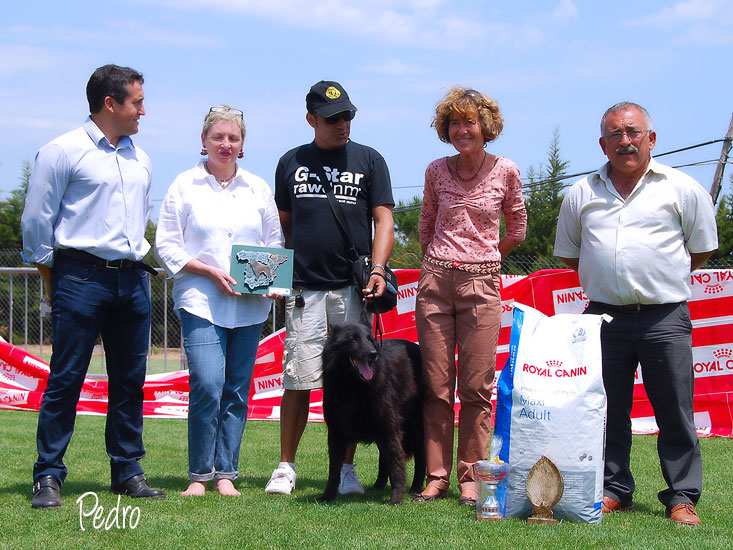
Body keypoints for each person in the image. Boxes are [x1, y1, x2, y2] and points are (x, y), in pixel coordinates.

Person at [554, 102, 718, 526]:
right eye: (615, 134)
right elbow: (572, 255)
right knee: (606, 410)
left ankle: (681, 496)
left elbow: (700, 249)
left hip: (665, 318)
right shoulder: (581, 193)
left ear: (651, 139)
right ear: (602, 144)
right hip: (603, 318)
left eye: (633, 132)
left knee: (675, 411)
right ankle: (614, 489)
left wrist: (656, 277)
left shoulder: (682, 189)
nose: (624, 141)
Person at [22, 64, 165, 508]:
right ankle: (48, 475)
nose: (143, 110)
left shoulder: (141, 159)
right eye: (137, 102)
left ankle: (128, 471)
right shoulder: (61, 151)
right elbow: (36, 224)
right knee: (66, 378)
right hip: (79, 276)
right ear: (110, 104)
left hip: (133, 279)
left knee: (130, 382)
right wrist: (54, 280)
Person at [265, 80, 395, 496]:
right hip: (305, 290)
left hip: (352, 291)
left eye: (348, 116)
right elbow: (282, 227)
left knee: (354, 382)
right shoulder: (290, 162)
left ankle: (346, 470)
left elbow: (384, 220)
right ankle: (286, 467)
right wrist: (281, 274)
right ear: (311, 119)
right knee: (298, 378)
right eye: (333, 118)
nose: (343, 124)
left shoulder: (370, 159)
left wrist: (378, 268)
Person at [155, 105, 283, 497]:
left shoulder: (258, 189)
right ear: (204, 141)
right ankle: (199, 475)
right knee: (208, 383)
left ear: (242, 144)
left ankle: (226, 473)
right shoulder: (184, 186)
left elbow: (274, 244)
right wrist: (210, 271)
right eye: (218, 137)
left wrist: (266, 280)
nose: (225, 144)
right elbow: (166, 245)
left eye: (233, 138)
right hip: (200, 300)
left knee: (237, 389)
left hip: (249, 306)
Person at [413, 87, 526, 506]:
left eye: (470, 122)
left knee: (477, 388)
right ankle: (436, 476)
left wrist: (485, 258)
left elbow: (517, 229)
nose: (462, 130)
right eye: (454, 123)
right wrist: (442, 264)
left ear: (485, 126)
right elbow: (426, 226)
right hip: (435, 284)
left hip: (482, 287)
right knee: (436, 387)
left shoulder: (506, 170)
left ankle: (471, 479)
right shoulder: (435, 170)